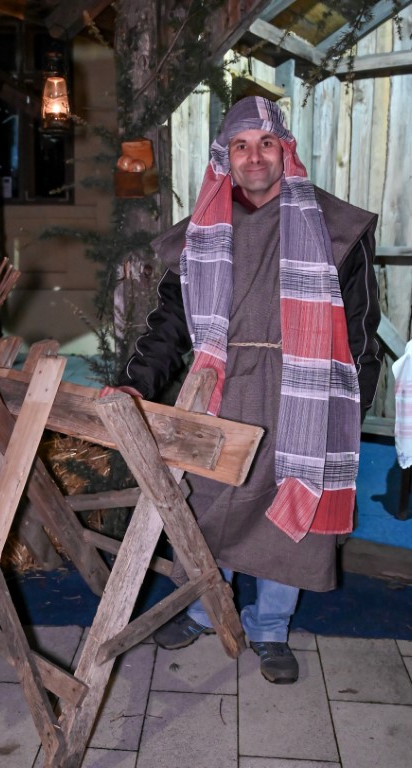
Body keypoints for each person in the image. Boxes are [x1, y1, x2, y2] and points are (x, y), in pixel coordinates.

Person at [103, 97, 382, 684]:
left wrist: (349, 408)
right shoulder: (203, 233)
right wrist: (135, 384)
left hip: (303, 392)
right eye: (240, 145)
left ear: (286, 150)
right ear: (224, 157)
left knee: (289, 509)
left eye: (266, 143)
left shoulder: (336, 228)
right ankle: (204, 608)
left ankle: (270, 628)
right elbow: (170, 323)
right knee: (205, 505)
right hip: (218, 387)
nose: (254, 156)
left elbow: (360, 329)